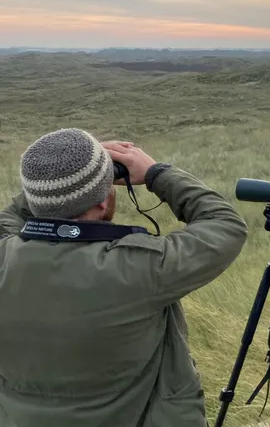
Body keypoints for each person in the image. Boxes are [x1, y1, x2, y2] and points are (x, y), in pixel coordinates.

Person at [0, 129, 248, 426]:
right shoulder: (141, 269)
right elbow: (226, 226)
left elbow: (10, 219)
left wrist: (53, 186)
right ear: (103, 202)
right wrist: (157, 174)